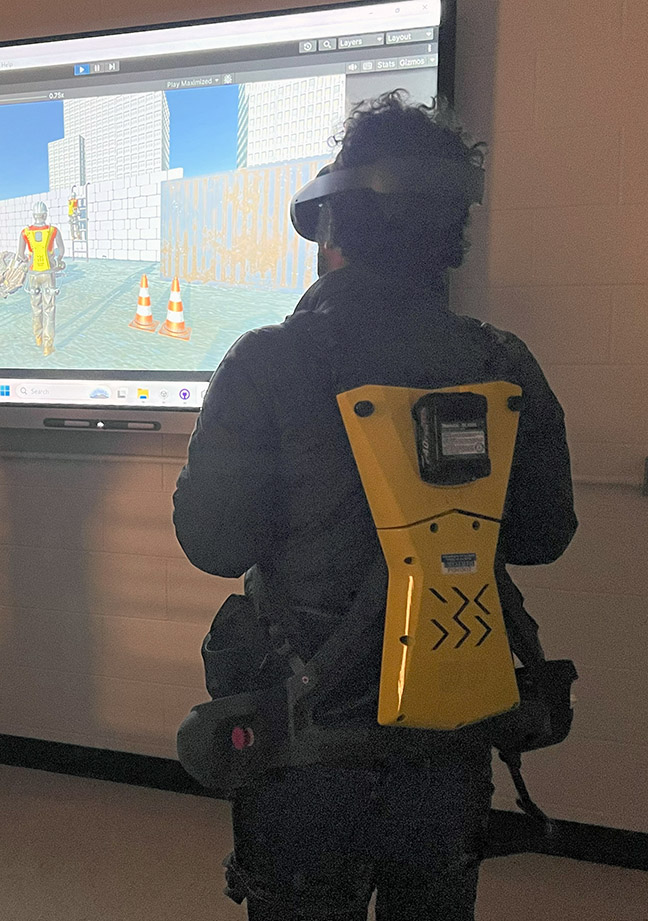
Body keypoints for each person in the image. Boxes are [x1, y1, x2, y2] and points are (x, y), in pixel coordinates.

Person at [172, 92, 577, 921]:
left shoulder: (267, 361)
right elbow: (544, 534)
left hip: (306, 746)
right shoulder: (504, 360)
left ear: (333, 225)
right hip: (451, 744)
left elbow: (212, 540)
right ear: (449, 235)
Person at [18, 200, 65, 356]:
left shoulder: (25, 233)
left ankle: (37, 337)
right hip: (48, 274)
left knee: (36, 308)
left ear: (34, 215)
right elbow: (61, 250)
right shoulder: (53, 231)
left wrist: (27, 261)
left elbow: (20, 255)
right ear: (45, 214)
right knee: (49, 310)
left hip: (33, 275)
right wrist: (58, 260)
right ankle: (48, 345)